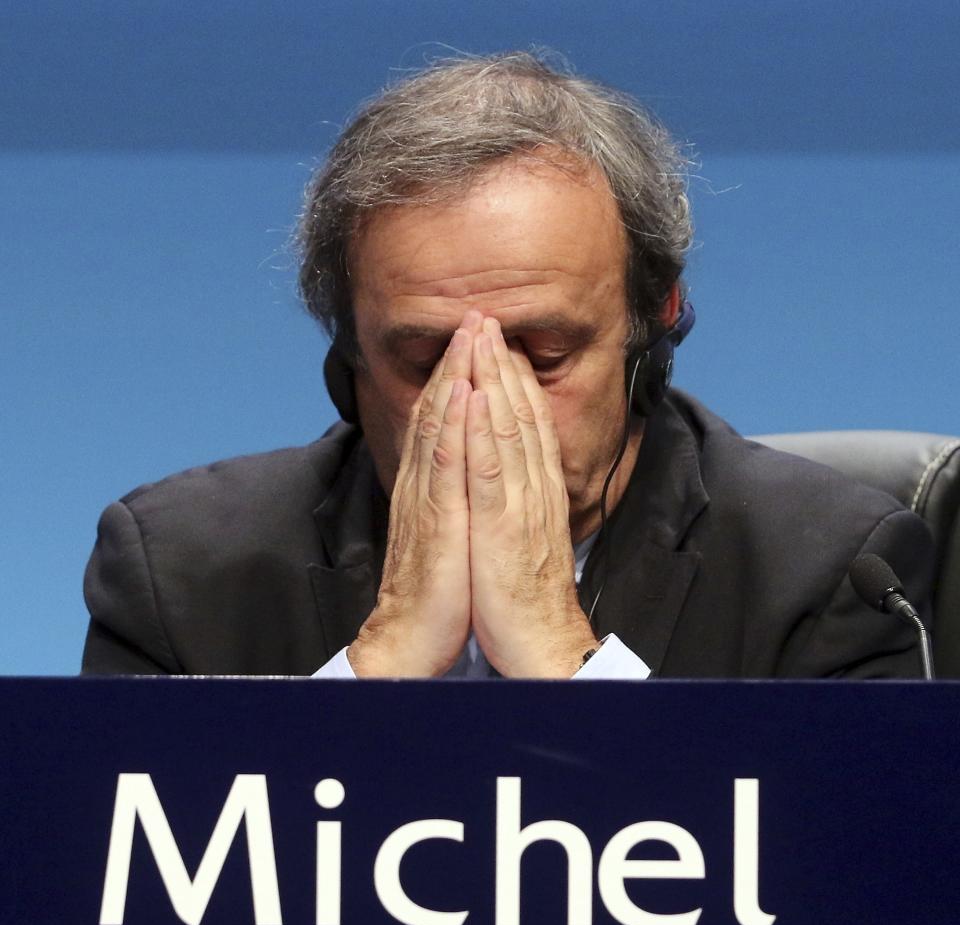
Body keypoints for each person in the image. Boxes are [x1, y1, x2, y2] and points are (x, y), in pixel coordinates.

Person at [81, 53, 932, 679]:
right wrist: (380, 663)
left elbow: (834, 904)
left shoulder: (835, 573)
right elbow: (151, 899)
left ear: (655, 328)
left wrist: (561, 654)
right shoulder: (180, 571)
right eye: (424, 360)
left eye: (545, 353)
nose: (486, 402)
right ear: (347, 361)